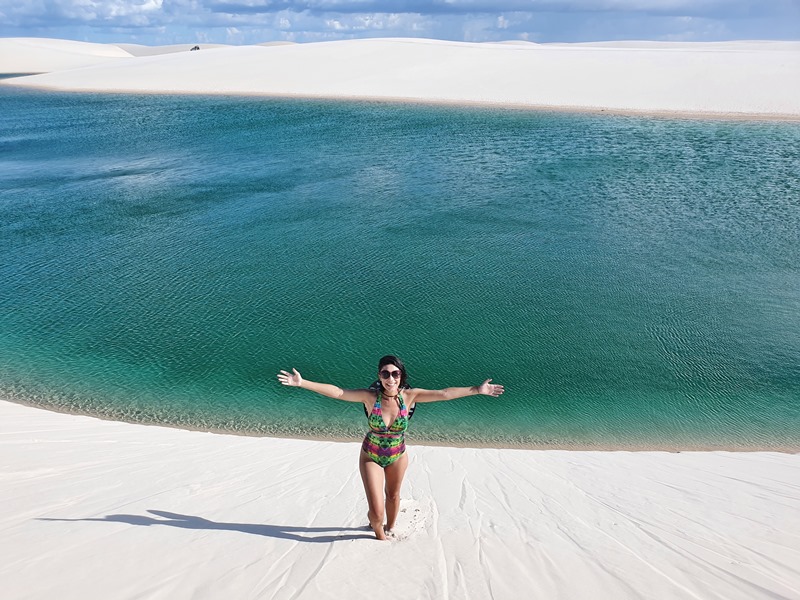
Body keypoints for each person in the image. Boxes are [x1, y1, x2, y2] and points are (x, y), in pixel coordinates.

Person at [277, 355, 505, 540]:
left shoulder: (411, 396)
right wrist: (302, 383)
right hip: (371, 456)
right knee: (376, 512)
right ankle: (379, 535)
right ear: (379, 376)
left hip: (398, 456)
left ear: (401, 376)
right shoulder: (369, 397)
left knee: (393, 496)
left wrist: (477, 389)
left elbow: (445, 393)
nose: (390, 378)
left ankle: (391, 526)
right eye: (385, 373)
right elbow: (338, 392)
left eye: (395, 374)